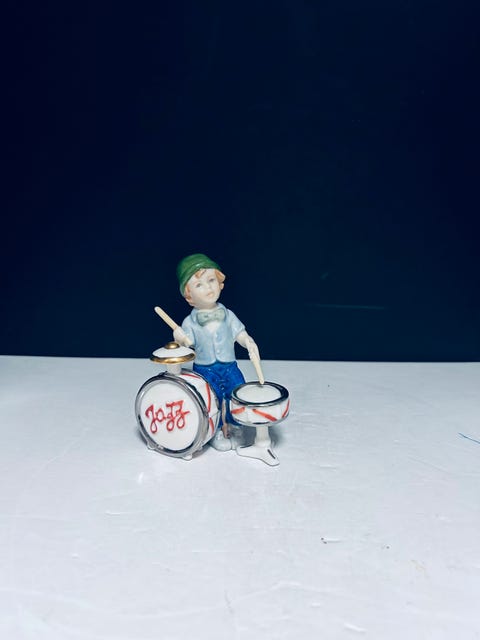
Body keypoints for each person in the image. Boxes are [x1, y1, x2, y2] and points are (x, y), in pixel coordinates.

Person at [173, 253, 260, 451]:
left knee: (237, 392)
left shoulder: (228, 315)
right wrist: (179, 337)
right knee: (212, 399)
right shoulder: (190, 322)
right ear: (188, 295)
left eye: (211, 280)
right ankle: (216, 430)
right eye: (199, 285)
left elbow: (239, 333)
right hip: (205, 370)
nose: (208, 288)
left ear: (220, 283)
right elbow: (186, 345)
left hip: (229, 366)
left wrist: (248, 341)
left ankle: (236, 427)